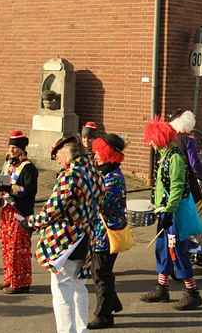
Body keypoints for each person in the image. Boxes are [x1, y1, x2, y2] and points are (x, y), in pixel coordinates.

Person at [19, 135, 102, 333]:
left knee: (62, 291)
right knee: (79, 286)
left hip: (67, 241)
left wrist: (30, 222)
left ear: (67, 152)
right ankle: (82, 330)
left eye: (56, 155)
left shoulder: (70, 175)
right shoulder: (93, 172)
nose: (56, 159)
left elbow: (53, 209)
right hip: (86, 237)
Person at [140, 117, 202, 311]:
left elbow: (176, 188)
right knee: (163, 249)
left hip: (175, 213)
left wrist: (168, 211)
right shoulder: (164, 155)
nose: (149, 143)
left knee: (176, 251)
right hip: (165, 212)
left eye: (151, 139)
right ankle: (162, 288)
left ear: (159, 138)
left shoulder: (175, 157)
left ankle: (192, 293)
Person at [88, 133, 127, 329]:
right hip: (100, 233)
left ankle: (104, 315)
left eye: (97, 153)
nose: (94, 157)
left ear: (107, 154)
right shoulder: (105, 174)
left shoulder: (113, 179)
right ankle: (112, 303)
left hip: (107, 235)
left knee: (101, 272)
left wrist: (89, 194)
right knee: (101, 271)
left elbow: (104, 205)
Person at [0, 130, 38, 294]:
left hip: (20, 212)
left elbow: (28, 190)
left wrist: (9, 188)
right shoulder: (8, 164)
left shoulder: (29, 168)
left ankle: (22, 283)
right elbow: (2, 181)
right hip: (7, 211)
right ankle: (10, 278)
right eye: (10, 147)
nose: (12, 150)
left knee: (18, 248)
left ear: (22, 149)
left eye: (15, 147)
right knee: (7, 247)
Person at [168, 109, 202, 202]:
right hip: (187, 182)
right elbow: (194, 164)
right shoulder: (188, 140)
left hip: (173, 181)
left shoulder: (170, 140)